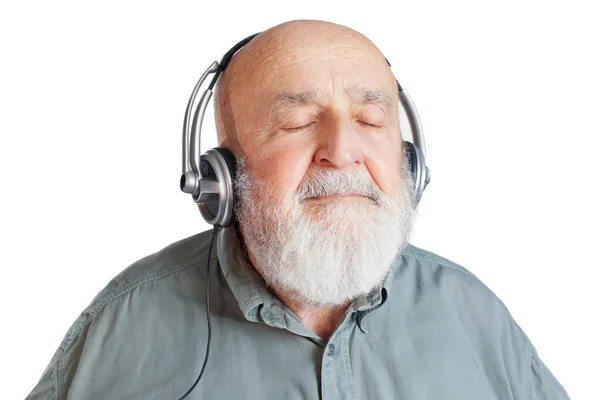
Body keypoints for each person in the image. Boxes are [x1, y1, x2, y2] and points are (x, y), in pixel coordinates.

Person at [26, 20, 570, 400]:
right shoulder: (121, 328)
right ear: (220, 177)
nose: (344, 150)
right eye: (298, 123)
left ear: (411, 161)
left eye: (372, 120)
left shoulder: (474, 315)